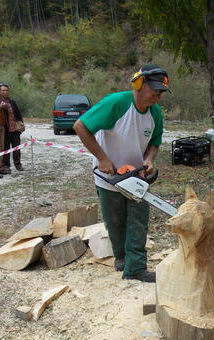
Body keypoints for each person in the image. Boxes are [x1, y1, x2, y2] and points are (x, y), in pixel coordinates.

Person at [74, 63, 170, 283]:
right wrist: (102, 158)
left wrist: (148, 160)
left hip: (136, 178)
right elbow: (81, 126)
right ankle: (121, 258)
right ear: (139, 84)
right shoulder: (116, 104)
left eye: (161, 92)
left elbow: (155, 143)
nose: (158, 96)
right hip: (109, 175)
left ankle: (135, 267)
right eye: (155, 90)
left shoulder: (155, 113)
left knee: (137, 222)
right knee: (114, 220)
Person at [0, 83, 25, 172]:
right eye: (3, 90)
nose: (5, 92)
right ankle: (6, 165)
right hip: (5, 130)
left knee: (17, 148)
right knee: (6, 149)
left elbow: (18, 114)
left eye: (6, 90)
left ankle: (18, 164)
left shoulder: (12, 102)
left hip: (15, 129)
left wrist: (21, 125)